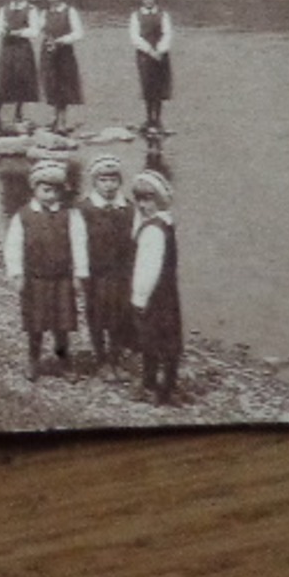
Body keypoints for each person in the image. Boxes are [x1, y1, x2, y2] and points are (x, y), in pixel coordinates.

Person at [3, 157, 89, 381]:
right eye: (46, 189)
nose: (51, 195)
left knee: (63, 324)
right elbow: (13, 247)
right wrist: (17, 274)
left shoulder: (70, 215)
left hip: (62, 278)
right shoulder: (23, 216)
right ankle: (34, 360)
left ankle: (64, 361)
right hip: (35, 278)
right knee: (35, 323)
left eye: (55, 190)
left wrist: (80, 274)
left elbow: (79, 244)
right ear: (35, 189)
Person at [78, 154, 136, 380]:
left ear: (120, 182)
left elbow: (135, 240)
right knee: (97, 314)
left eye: (113, 180)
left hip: (121, 272)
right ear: (95, 182)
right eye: (103, 180)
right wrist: (81, 272)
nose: (109, 185)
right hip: (96, 272)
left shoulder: (128, 209)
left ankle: (115, 357)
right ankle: (101, 358)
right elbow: (79, 241)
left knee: (120, 315)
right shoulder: (85, 209)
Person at [130, 169, 183, 404]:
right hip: (169, 293)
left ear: (160, 200)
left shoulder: (152, 230)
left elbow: (147, 268)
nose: (143, 206)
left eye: (148, 200)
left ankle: (153, 386)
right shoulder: (166, 223)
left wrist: (139, 298)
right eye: (139, 200)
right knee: (169, 338)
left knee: (151, 339)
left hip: (153, 295)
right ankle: (166, 386)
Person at [0, 0, 42, 132]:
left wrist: (19, 32)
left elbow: (35, 31)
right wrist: (2, 31)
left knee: (21, 77)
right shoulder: (5, 9)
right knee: (4, 77)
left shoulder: (30, 9)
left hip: (22, 47)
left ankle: (18, 112)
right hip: (8, 47)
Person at [40, 0, 85, 135]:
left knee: (63, 84)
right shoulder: (44, 13)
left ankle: (62, 121)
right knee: (51, 84)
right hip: (48, 51)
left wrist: (61, 40)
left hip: (64, 52)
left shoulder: (69, 11)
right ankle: (54, 118)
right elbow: (41, 29)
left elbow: (78, 33)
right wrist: (47, 39)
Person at [130, 0, 175, 132]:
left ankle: (158, 119)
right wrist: (149, 50)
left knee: (160, 87)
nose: (149, 0)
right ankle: (149, 118)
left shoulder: (163, 15)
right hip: (144, 55)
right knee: (147, 86)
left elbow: (167, 33)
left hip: (161, 54)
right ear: (142, 0)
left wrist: (160, 50)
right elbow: (135, 37)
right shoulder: (136, 16)